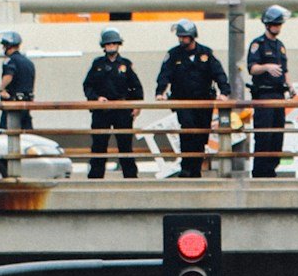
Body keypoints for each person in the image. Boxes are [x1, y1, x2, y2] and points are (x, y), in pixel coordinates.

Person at [157, 21, 232, 177]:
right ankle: (186, 167)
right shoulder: (173, 54)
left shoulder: (206, 53)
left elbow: (219, 74)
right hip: (182, 100)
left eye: (184, 37)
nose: (181, 40)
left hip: (203, 101)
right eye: (180, 37)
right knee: (187, 130)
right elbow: (165, 75)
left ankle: (196, 168)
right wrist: (160, 92)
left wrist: (224, 92)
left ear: (192, 37)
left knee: (201, 134)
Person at [84, 29, 144, 179]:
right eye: (108, 44)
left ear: (118, 45)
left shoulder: (126, 65)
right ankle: (95, 177)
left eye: (113, 43)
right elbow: (87, 85)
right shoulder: (97, 64)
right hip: (102, 110)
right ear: (103, 46)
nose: (111, 46)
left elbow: (136, 87)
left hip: (122, 110)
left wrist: (137, 105)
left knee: (125, 145)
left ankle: (130, 177)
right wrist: (96, 98)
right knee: (99, 144)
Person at [249, 6, 292, 176]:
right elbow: (252, 68)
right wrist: (266, 67)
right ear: (267, 25)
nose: (278, 28)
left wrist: (290, 86)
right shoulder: (257, 44)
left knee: (277, 134)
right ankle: (260, 170)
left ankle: (272, 168)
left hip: (278, 94)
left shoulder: (280, 46)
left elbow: (285, 70)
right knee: (264, 134)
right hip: (264, 94)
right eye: (275, 25)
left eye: (280, 25)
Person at [0, 31, 37, 134]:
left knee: (8, 132)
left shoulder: (10, 61)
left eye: (4, 46)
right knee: (27, 134)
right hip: (26, 103)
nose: (3, 48)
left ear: (8, 46)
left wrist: (1, 89)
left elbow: (8, 76)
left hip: (13, 103)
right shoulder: (28, 62)